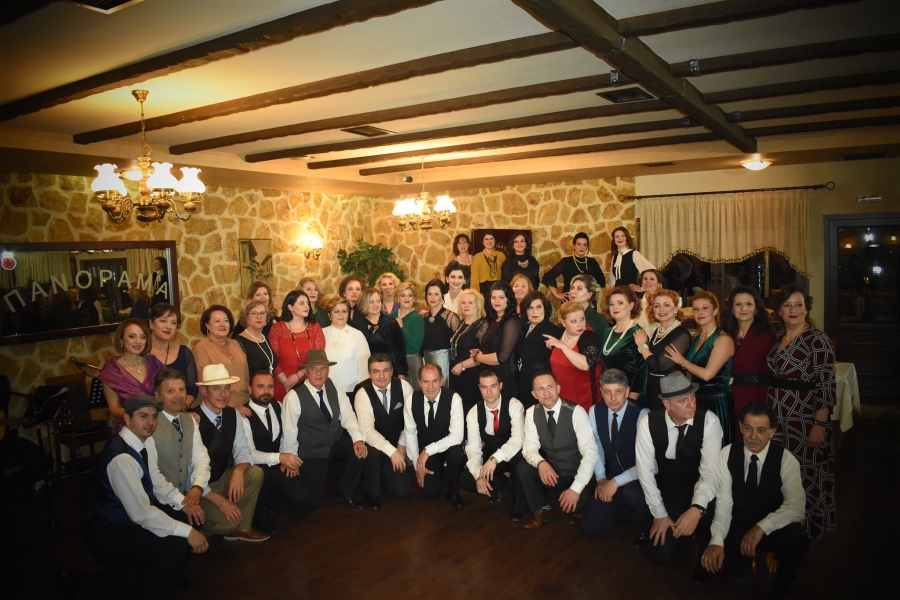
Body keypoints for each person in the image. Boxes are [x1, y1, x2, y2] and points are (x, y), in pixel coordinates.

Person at [87, 395, 207, 599]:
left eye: (154, 416)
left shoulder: (144, 441)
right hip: (111, 529)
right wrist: (188, 533)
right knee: (178, 544)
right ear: (127, 418)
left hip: (132, 518)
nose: (150, 422)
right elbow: (142, 514)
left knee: (191, 516)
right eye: (143, 416)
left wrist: (183, 503)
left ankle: (164, 574)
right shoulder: (122, 458)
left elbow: (156, 479)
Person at [698, 403, 809, 597]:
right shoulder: (726, 454)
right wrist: (717, 541)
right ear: (741, 427)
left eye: (761, 430)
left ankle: (782, 586)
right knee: (715, 569)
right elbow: (724, 502)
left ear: (772, 432)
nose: (753, 436)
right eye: (748, 428)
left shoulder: (786, 460)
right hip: (737, 524)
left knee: (798, 538)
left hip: (770, 527)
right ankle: (742, 564)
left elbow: (796, 507)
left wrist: (761, 527)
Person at [766, 285, 836, 540]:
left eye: (798, 304)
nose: (793, 310)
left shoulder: (818, 339)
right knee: (781, 472)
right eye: (787, 305)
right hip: (777, 416)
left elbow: (826, 386)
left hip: (804, 418)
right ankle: (783, 528)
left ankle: (807, 530)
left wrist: (819, 425)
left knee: (805, 473)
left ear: (807, 308)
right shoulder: (779, 336)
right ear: (779, 310)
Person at [636, 372, 722, 566]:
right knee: (661, 556)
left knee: (710, 519)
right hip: (669, 490)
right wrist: (660, 514)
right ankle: (683, 533)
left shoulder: (709, 421)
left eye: (692, 397)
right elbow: (645, 472)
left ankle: (699, 538)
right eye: (683, 400)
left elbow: (710, 472)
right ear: (667, 404)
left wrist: (697, 509)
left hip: (700, 487)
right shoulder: (648, 422)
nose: (692, 404)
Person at [281, 350, 368, 509]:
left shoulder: (334, 385)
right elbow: (289, 432)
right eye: (313, 369)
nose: (319, 373)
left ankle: (345, 492)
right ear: (306, 371)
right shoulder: (293, 397)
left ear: (328, 370)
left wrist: (357, 439)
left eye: (323, 368)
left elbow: (347, 414)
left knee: (360, 453)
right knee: (312, 501)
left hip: (334, 441)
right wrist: (290, 459)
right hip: (312, 451)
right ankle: (328, 472)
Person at [193, 364, 268, 541]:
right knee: (227, 524)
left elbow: (242, 449)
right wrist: (220, 501)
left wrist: (239, 471)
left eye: (227, 388)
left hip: (222, 477)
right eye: (216, 388)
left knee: (255, 473)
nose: (223, 394)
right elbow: (189, 474)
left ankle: (243, 528)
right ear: (204, 390)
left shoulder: (232, 414)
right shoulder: (192, 419)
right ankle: (199, 527)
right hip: (200, 488)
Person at [517, 370, 598, 529]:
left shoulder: (576, 412)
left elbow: (590, 454)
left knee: (575, 508)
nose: (546, 393)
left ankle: (585, 501)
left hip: (578, 473)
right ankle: (542, 509)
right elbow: (529, 448)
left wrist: (576, 489)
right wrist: (541, 463)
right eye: (540, 389)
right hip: (555, 473)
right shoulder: (531, 413)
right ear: (534, 394)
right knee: (523, 467)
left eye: (550, 387)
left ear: (558, 388)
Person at [580, 369, 651, 544]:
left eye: (618, 392)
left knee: (632, 493)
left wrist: (615, 482)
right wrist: (601, 478)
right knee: (589, 526)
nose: (613, 398)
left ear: (627, 392)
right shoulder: (595, 411)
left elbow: (650, 463)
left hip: (642, 478)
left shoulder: (642, 414)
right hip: (615, 477)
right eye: (607, 392)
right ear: (602, 392)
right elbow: (596, 446)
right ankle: (627, 507)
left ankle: (646, 524)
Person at [150, 369, 218, 532]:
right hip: (156, 500)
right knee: (189, 527)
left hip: (184, 493)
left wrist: (197, 487)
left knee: (197, 522)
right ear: (157, 395)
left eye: (181, 389)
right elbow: (153, 475)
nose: (178, 395)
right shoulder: (150, 424)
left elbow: (201, 458)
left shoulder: (189, 420)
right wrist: (182, 502)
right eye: (170, 391)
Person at [665, 291, 735, 445]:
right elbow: (692, 374)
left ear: (715, 311)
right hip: (697, 398)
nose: (700, 312)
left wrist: (681, 361)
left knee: (717, 445)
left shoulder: (723, 339)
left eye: (705, 308)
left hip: (717, 400)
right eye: (696, 309)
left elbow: (707, 374)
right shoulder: (697, 338)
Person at [238, 371, 303, 534]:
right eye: (260, 387)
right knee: (262, 472)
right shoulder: (243, 415)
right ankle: (260, 518)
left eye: (270, 387)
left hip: (276, 464)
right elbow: (249, 454)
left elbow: (285, 436)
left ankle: (271, 502)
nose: (266, 391)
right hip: (254, 468)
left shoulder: (278, 406)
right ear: (249, 389)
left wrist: (285, 457)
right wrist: (280, 457)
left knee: (302, 497)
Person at [461, 368, 525, 519]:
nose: (489, 392)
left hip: (512, 454)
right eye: (484, 387)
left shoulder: (514, 405)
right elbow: (473, 448)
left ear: (500, 386)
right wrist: (478, 475)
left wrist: (494, 459)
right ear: (479, 388)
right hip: (491, 454)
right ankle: (501, 480)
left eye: (493, 386)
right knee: (466, 479)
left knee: (519, 465)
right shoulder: (473, 413)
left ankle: (518, 505)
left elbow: (518, 439)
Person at [353, 354, 414, 510]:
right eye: (376, 371)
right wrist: (392, 452)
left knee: (402, 491)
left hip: (396, 443)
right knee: (373, 453)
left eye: (385, 371)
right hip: (374, 446)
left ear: (392, 371)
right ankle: (372, 494)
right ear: (369, 373)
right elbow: (367, 431)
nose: (381, 376)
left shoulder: (404, 386)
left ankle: (382, 473)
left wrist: (402, 443)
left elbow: (411, 420)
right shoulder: (362, 393)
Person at [404, 363, 465, 507]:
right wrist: (417, 466)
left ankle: (453, 491)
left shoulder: (454, 398)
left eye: (435, 381)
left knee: (457, 454)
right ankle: (439, 471)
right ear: (419, 383)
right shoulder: (411, 399)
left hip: (448, 448)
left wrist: (427, 451)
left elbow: (457, 437)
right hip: (426, 453)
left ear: (441, 381)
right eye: (426, 382)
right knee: (429, 494)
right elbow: (410, 433)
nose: (430, 387)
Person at [725, 286, 776, 438]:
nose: (743, 308)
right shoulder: (727, 332)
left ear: (756, 308)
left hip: (758, 393)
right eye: (738, 304)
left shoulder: (769, 335)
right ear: (732, 309)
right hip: (732, 394)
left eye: (749, 304)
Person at [99, 318, 165, 434]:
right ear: (121, 340)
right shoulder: (111, 371)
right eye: (132, 336)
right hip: (130, 430)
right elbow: (114, 410)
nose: (138, 341)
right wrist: (141, 414)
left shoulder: (154, 363)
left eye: (143, 337)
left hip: (159, 425)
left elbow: (168, 392)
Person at [633, 289, 691, 411]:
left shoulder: (682, 334)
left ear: (676, 309)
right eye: (657, 306)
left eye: (666, 305)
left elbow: (658, 366)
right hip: (653, 387)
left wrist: (642, 346)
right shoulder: (658, 331)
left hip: (671, 391)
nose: (661, 309)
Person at [269, 290, 326, 403]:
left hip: (309, 381)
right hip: (283, 384)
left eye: (307, 303)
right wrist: (286, 383)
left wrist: (298, 376)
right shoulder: (277, 329)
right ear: (290, 307)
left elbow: (318, 358)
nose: (306, 306)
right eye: (301, 303)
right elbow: (273, 360)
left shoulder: (315, 327)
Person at [545, 301, 602, 412]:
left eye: (582, 319)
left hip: (584, 399)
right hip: (561, 397)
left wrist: (562, 346)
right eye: (574, 321)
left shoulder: (590, 337)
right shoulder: (559, 334)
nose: (580, 324)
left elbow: (586, 365)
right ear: (563, 322)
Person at [473, 281, 523, 403]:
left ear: (508, 300)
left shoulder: (512, 321)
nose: (497, 301)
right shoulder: (495, 319)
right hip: (491, 375)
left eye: (501, 297)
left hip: (504, 377)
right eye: (494, 297)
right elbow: (492, 346)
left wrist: (480, 358)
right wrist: (479, 352)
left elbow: (502, 357)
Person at [193, 306, 250, 408]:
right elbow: (205, 387)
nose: (222, 324)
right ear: (207, 325)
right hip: (219, 404)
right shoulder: (201, 349)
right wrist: (231, 409)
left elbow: (246, 376)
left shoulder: (235, 343)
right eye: (217, 321)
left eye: (226, 321)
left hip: (244, 401)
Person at [599, 286, 647, 402]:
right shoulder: (607, 332)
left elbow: (641, 372)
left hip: (628, 397)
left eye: (620, 303)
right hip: (609, 394)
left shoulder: (637, 333)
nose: (615, 307)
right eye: (611, 304)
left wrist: (631, 402)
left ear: (631, 305)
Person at [148, 303, 199, 409]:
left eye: (173, 323)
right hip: (146, 411)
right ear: (151, 324)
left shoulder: (185, 353)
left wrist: (183, 407)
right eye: (163, 321)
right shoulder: (140, 353)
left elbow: (192, 388)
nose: (168, 326)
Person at [516, 291, 561, 407]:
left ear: (545, 308)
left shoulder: (552, 330)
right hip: (525, 380)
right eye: (530, 308)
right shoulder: (525, 327)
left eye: (538, 307)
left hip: (541, 383)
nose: (534, 312)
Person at [449, 289, 489, 414]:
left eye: (470, 302)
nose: (466, 305)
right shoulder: (462, 323)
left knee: (470, 410)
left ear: (478, 305)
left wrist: (462, 365)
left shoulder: (482, 325)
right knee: (457, 410)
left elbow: (484, 355)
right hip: (457, 373)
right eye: (463, 302)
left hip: (471, 374)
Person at [354, 287, 409, 379]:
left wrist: (401, 375)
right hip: (366, 373)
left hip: (390, 372)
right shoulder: (358, 325)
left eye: (378, 301)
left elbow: (400, 351)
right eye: (371, 302)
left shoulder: (391, 323)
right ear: (364, 303)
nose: (376, 305)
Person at [322, 297, 371, 394]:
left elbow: (365, 365)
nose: (341, 315)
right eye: (336, 311)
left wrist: (362, 390)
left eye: (344, 311)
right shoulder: (322, 334)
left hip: (352, 390)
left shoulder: (357, 335)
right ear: (329, 315)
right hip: (327, 389)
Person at [542, 232, 605, 302]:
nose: (582, 247)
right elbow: (549, 276)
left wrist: (592, 293)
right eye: (579, 244)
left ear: (587, 247)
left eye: (585, 245)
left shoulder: (592, 262)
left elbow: (601, 281)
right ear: (574, 246)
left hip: (588, 302)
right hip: (570, 301)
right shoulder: (566, 261)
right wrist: (557, 294)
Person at [422, 279, 461, 383]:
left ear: (442, 296)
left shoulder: (451, 317)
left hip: (444, 363)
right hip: (427, 361)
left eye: (436, 294)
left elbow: (459, 343)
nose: (432, 297)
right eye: (429, 294)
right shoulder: (424, 317)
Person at [235, 298, 279, 377]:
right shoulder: (238, 342)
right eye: (253, 313)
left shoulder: (264, 338)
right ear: (246, 317)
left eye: (262, 313)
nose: (259, 316)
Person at [395, 282, 424, 392]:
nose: (406, 298)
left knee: (412, 393)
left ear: (414, 298)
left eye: (410, 295)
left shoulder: (417, 318)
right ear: (398, 298)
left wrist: (402, 327)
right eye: (403, 295)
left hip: (411, 362)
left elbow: (415, 346)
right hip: (396, 362)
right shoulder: (393, 316)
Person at [470, 231, 506, 298]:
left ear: (495, 240)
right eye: (486, 239)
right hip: (483, 290)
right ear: (483, 242)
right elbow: (474, 277)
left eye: (491, 238)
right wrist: (475, 294)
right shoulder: (477, 257)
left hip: (498, 288)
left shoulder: (502, 256)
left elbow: (505, 275)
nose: (489, 241)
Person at [636, 269, 669, 334]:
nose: (648, 281)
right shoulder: (638, 303)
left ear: (658, 284)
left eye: (652, 279)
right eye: (645, 279)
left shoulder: (665, 302)